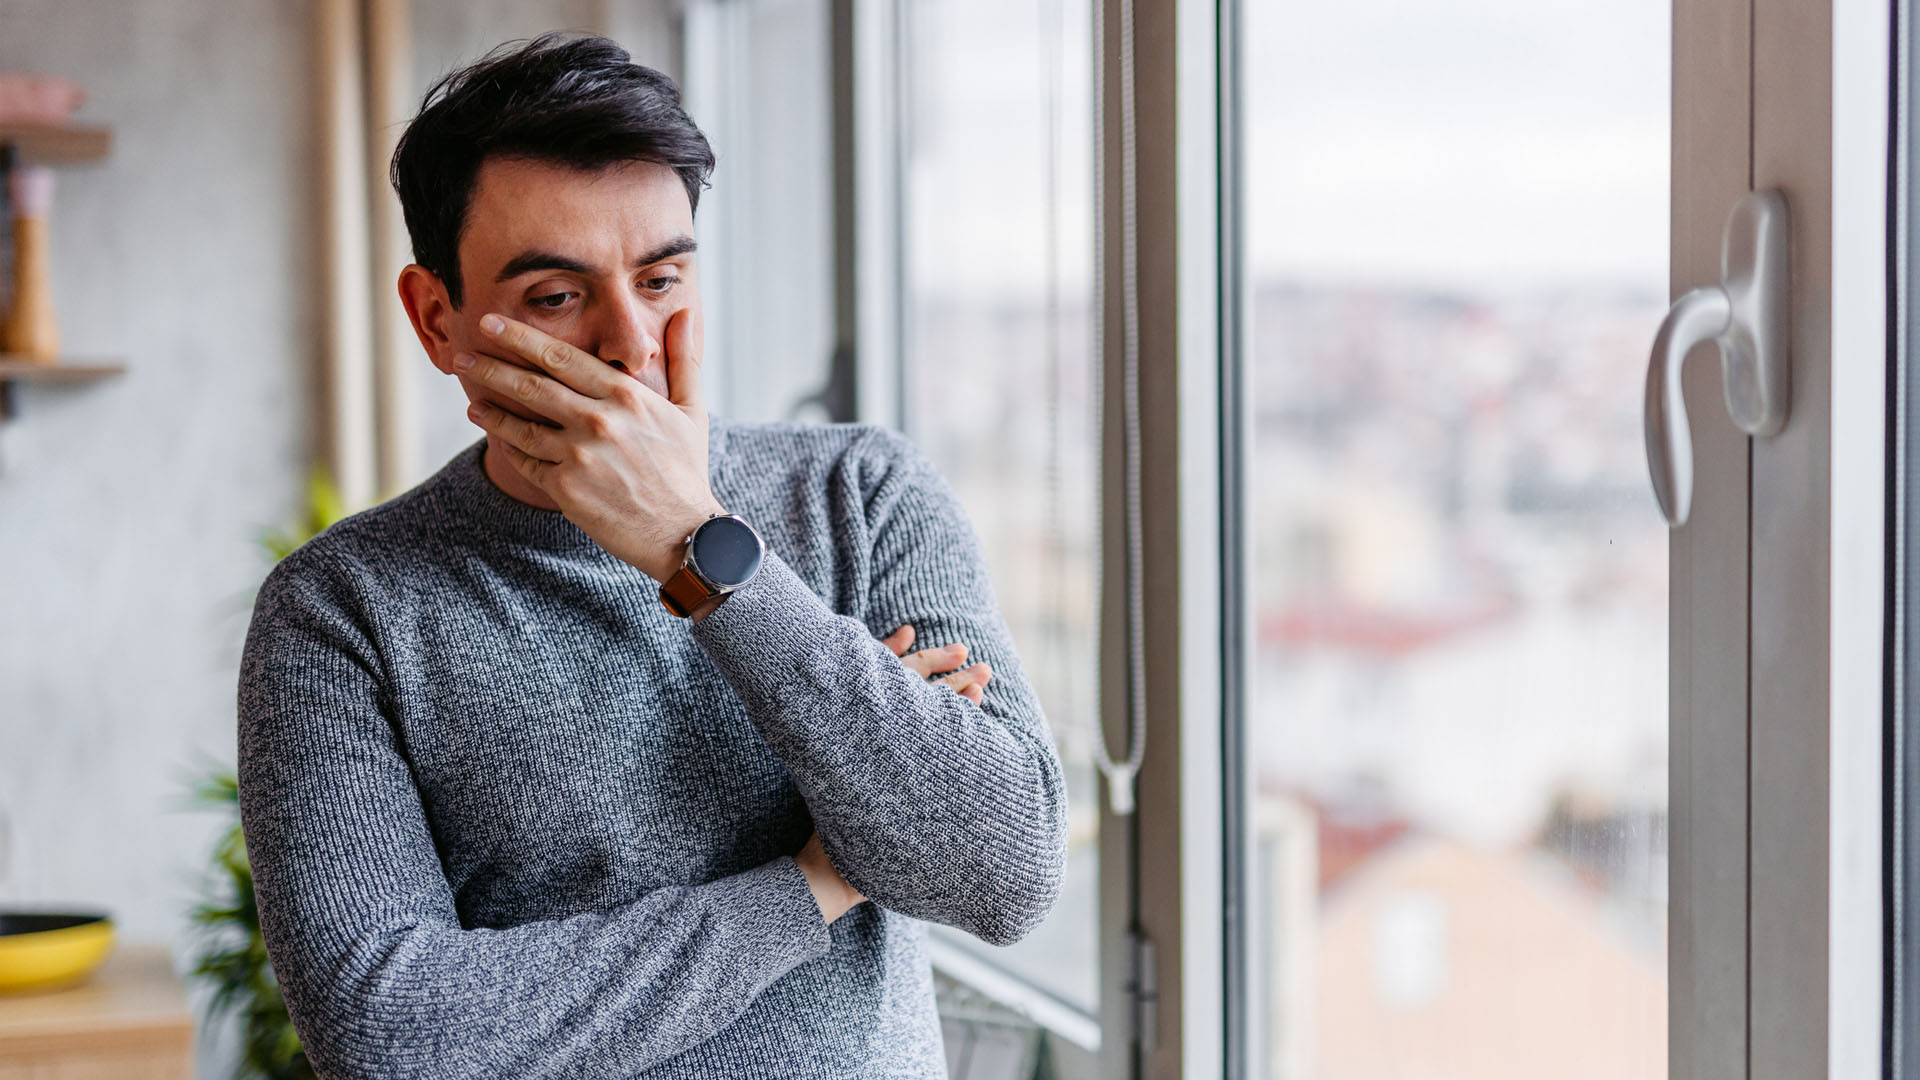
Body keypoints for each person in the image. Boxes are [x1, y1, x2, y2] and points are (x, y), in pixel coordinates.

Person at [235, 32, 1068, 1079]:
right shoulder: (342, 609)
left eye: (663, 276)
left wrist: (701, 556)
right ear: (437, 318)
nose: (630, 343)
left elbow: (1002, 873)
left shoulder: (863, 494)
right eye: (554, 297)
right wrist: (813, 886)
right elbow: (393, 1037)